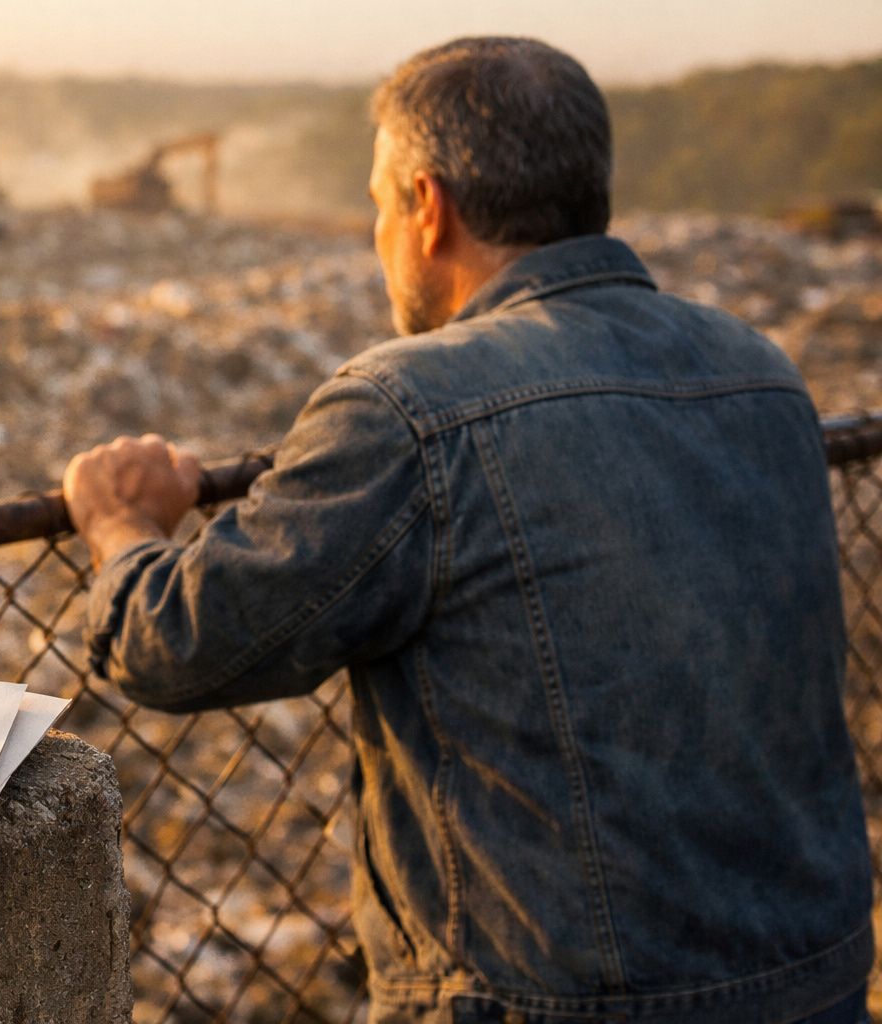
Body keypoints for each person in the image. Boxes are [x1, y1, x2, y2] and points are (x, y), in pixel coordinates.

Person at [62, 36, 873, 1024]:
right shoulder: (760, 370)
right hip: (814, 981)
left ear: (427, 206)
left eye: (378, 204)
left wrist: (122, 521)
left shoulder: (411, 407)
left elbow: (178, 644)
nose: (379, 236)